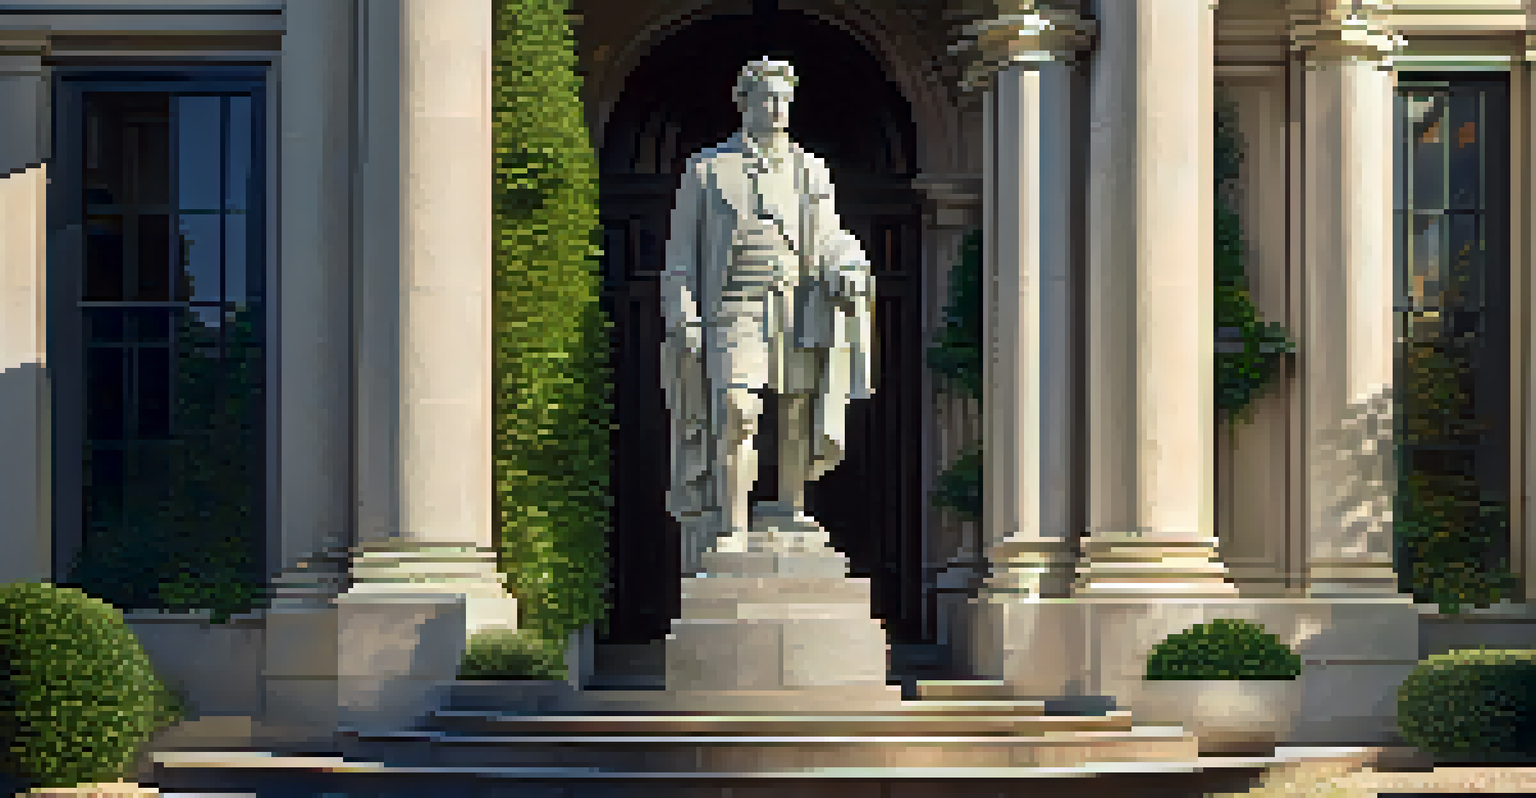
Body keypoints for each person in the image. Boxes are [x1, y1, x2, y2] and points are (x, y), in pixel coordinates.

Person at [660, 57, 876, 572]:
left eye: (783, 100)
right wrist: (684, 314)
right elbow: (680, 259)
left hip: (797, 301)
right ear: (744, 103)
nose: (777, 109)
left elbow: (827, 234)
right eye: (766, 99)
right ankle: (732, 524)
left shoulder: (808, 168)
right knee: (737, 410)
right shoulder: (708, 168)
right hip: (734, 305)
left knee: (796, 412)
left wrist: (847, 264)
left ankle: (792, 508)